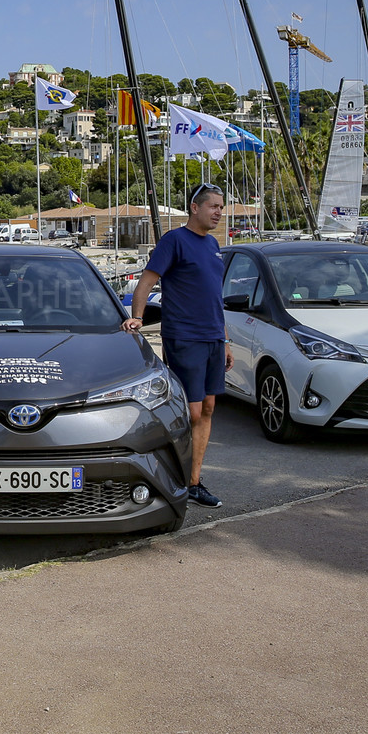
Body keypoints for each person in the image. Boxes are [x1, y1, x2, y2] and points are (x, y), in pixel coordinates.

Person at [122, 182, 228, 508]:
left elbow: (214, 298)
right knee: (192, 411)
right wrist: (137, 316)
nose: (219, 213)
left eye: (221, 208)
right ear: (195, 208)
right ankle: (178, 479)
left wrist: (225, 341)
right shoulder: (174, 241)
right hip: (185, 337)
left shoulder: (212, 244)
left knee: (208, 408)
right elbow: (147, 281)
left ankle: (194, 482)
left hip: (213, 338)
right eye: (213, 207)